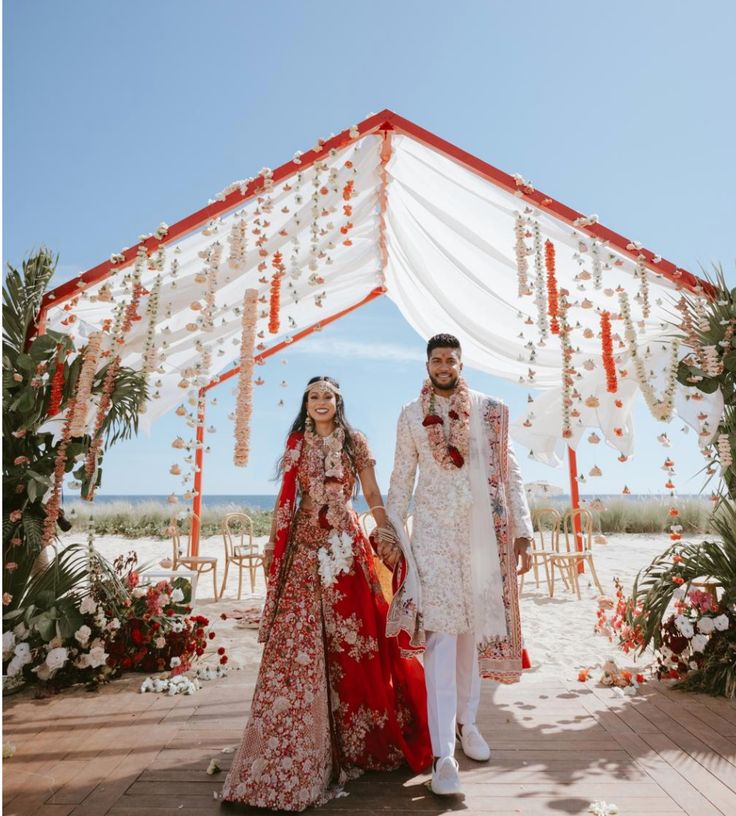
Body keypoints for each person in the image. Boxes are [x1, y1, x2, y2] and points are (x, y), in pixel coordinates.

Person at [221, 376, 432, 812]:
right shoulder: (296, 442)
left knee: (353, 641)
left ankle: (351, 743)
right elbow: (287, 500)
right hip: (303, 546)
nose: (320, 402)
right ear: (306, 403)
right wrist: (272, 545)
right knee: (297, 643)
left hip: (344, 546)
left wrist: (386, 530)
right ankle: (300, 738)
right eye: (313, 396)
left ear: (339, 402)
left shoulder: (355, 441)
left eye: (328, 396)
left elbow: (372, 493)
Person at [382, 334, 534, 797]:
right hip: (432, 539)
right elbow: (400, 479)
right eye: (436, 359)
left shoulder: (489, 409)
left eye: (450, 359)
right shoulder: (410, 414)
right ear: (427, 363)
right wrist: (392, 533)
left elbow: (509, 471)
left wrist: (523, 531)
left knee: (470, 636)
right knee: (440, 641)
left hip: (481, 537)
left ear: (460, 363)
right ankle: (443, 752)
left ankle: (469, 724)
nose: (444, 365)